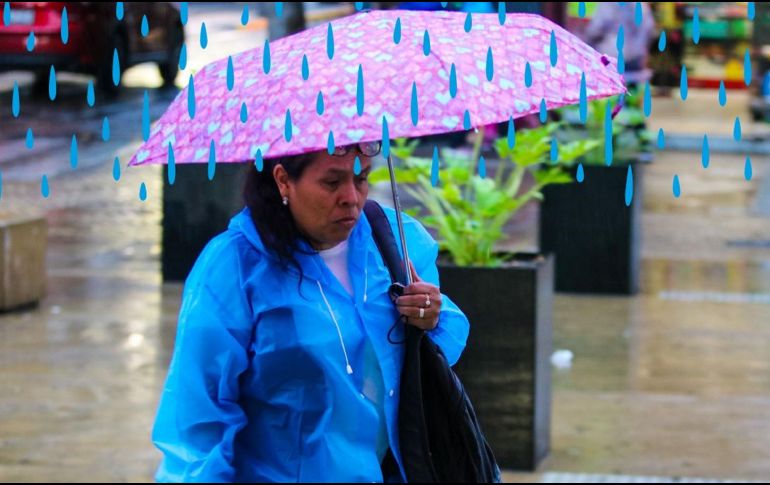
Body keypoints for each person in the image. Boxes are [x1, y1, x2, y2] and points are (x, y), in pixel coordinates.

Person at [151, 140, 471, 482]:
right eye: (332, 182)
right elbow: (198, 421)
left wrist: (431, 318)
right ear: (283, 180)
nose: (351, 197)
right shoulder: (234, 268)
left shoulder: (394, 241)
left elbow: (437, 355)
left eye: (361, 178)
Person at [584, 2, 656, 88]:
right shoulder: (641, 5)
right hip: (635, 66)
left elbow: (595, 29)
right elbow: (649, 29)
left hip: (610, 62)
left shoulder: (607, 4)